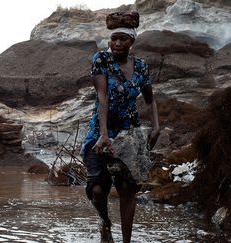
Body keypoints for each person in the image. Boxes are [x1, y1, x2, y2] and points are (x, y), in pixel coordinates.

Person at [81, 11, 160, 243]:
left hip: (129, 135)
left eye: (122, 39)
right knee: (97, 190)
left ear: (131, 41)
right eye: (113, 38)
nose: (116, 43)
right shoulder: (100, 60)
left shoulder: (142, 67)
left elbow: (150, 100)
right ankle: (105, 224)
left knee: (127, 189)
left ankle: (126, 241)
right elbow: (102, 97)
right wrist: (103, 134)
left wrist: (156, 126)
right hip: (100, 131)